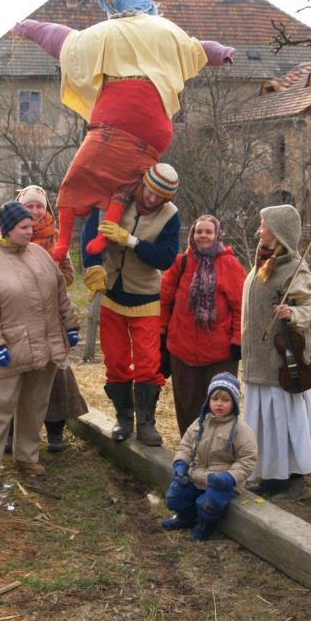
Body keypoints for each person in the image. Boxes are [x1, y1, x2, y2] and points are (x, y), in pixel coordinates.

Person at [11, 0, 234, 261]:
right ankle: (105, 236)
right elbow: (199, 49)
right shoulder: (166, 30)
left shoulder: (105, 33)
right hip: (156, 128)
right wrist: (224, 53)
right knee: (125, 185)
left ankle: (63, 244)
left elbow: (61, 39)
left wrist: (27, 27)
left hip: (119, 117)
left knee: (76, 179)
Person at [0, 201, 81, 486]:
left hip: (44, 343)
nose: (30, 232)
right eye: (24, 227)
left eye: (31, 226)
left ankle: (27, 457)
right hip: (10, 347)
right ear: (8, 229)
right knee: (2, 404)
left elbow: (60, 295)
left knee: (35, 403)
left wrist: (70, 325)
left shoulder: (40, 256)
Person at [81, 163, 181, 447]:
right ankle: (123, 418)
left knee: (149, 364)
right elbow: (91, 235)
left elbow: (165, 257)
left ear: (167, 199)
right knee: (115, 361)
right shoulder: (116, 200)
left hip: (146, 296)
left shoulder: (170, 216)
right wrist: (93, 266)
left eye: (159, 197)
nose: (152, 199)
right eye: (150, 191)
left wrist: (133, 241)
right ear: (143, 184)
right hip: (112, 291)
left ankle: (146, 422)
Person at [241, 204, 311, 501]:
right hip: (257, 363)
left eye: (263, 226)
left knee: (282, 423)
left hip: (282, 365)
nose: (258, 231)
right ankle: (269, 477)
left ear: (277, 232)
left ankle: (293, 480)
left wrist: (293, 313)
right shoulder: (261, 264)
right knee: (262, 424)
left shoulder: (294, 267)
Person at [16, 185, 87, 452]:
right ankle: (14, 433)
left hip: (51, 315)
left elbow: (68, 275)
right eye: (29, 206)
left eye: (39, 206)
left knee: (56, 373)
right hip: (20, 316)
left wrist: (50, 274)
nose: (34, 211)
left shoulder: (57, 238)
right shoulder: (10, 235)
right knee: (20, 374)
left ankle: (55, 431)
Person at [159, 215, 245, 435]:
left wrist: (238, 341)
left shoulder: (230, 264)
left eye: (208, 231)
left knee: (220, 406)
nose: (203, 236)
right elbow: (164, 300)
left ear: (217, 234)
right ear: (192, 235)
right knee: (187, 406)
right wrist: (161, 333)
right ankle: (189, 452)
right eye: (199, 231)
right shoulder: (181, 263)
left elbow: (240, 307)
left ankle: (218, 451)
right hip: (181, 349)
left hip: (219, 354)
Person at [162, 372, 257, 541]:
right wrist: (181, 464)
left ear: (234, 403)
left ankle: (205, 525)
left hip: (221, 482)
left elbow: (247, 459)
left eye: (225, 400)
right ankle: (185, 518)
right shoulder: (200, 422)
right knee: (175, 495)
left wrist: (229, 477)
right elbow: (186, 446)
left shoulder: (240, 429)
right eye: (215, 399)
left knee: (210, 502)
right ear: (208, 401)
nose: (219, 404)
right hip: (196, 475)